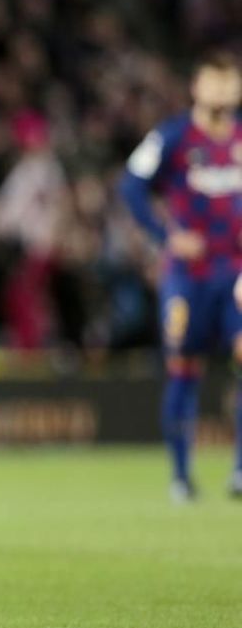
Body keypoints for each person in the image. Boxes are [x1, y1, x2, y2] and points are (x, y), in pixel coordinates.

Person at [121, 51, 242, 502]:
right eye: (214, 81)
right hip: (188, 276)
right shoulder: (172, 137)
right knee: (184, 370)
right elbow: (131, 185)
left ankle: (240, 471)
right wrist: (166, 236)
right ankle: (180, 476)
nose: (223, 91)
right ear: (196, 86)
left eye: (230, 82)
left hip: (236, 272)